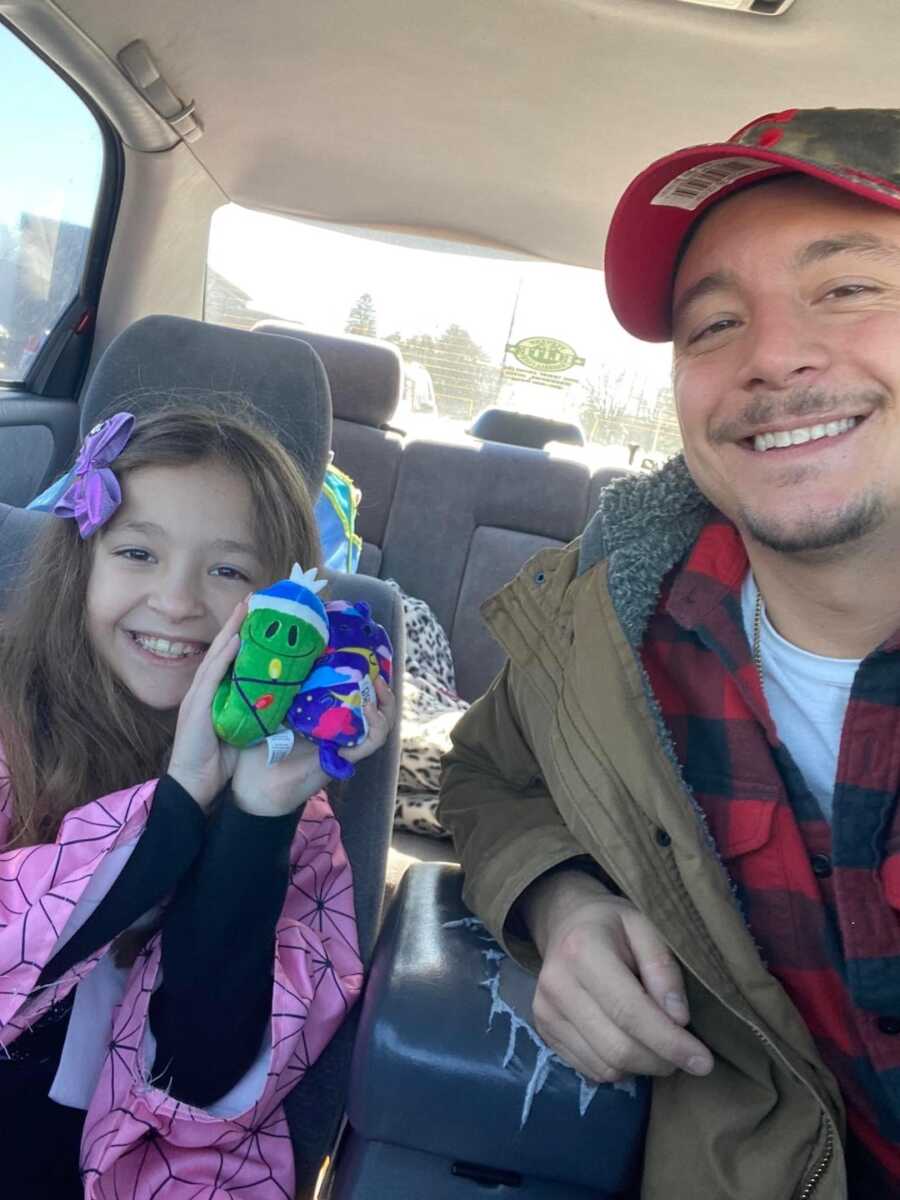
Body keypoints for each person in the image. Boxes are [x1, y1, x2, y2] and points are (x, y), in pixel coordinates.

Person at [439, 107, 900, 1199]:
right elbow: (485, 774)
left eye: (845, 288)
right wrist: (561, 898)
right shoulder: (617, 630)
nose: (773, 356)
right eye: (712, 325)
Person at [0, 406, 395, 1198]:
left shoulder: (297, 824)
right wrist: (176, 803)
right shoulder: (10, 733)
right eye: (138, 552)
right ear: (83, 563)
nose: (177, 601)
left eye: (228, 572)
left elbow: (209, 1079)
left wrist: (256, 817)